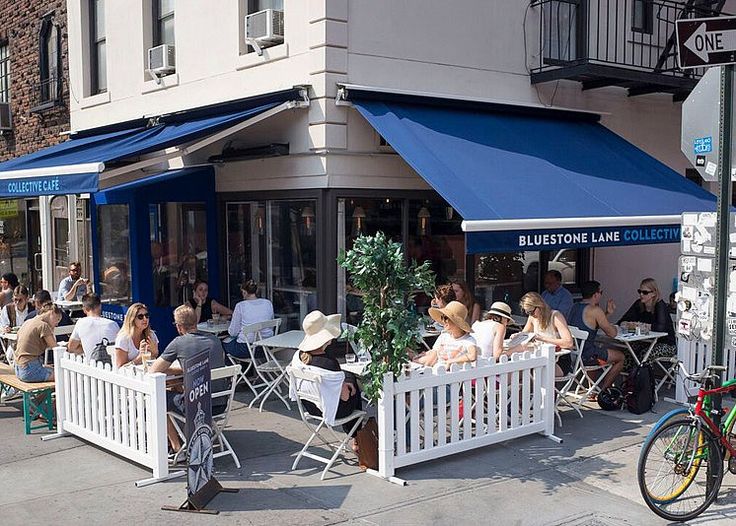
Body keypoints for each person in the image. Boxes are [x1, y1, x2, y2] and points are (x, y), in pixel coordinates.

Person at [150, 305, 227, 452]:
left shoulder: (178, 343)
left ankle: (176, 446)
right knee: (177, 388)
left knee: (158, 398)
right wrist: (184, 368)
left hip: (196, 407)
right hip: (220, 404)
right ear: (196, 321)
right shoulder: (215, 340)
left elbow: (154, 370)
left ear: (179, 327)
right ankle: (189, 436)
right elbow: (212, 365)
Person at [293, 310, 362, 448]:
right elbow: (345, 397)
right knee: (353, 386)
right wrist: (350, 384)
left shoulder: (298, 356)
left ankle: (356, 436)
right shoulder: (330, 364)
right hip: (331, 410)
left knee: (347, 378)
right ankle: (357, 436)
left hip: (311, 407)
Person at [567, 281, 625, 392]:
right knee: (620, 357)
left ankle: (592, 390)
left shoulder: (575, 307)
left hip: (574, 353)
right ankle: (603, 391)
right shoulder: (595, 310)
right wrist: (617, 327)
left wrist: (607, 313)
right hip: (588, 355)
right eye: (601, 292)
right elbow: (612, 333)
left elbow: (592, 324)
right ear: (595, 294)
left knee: (594, 350)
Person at [618, 278, 676, 361]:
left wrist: (643, 326)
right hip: (646, 341)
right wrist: (628, 324)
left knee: (644, 355)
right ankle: (630, 373)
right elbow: (622, 320)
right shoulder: (639, 304)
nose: (641, 294)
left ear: (653, 293)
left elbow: (661, 328)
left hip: (666, 343)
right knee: (627, 353)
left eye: (645, 292)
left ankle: (642, 373)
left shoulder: (660, 305)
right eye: (639, 291)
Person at [520, 292, 574, 377]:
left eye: (531, 312)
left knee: (532, 371)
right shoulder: (532, 318)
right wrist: (518, 336)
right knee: (521, 368)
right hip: (540, 357)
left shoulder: (555, 316)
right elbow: (524, 335)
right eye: (528, 313)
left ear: (539, 307)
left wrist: (542, 338)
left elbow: (569, 343)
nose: (531, 315)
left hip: (559, 360)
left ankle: (533, 390)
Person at [415, 301, 478, 367]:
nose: (443, 321)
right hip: (438, 372)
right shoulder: (444, 336)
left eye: (445, 318)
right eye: (442, 317)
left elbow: (472, 356)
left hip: (456, 375)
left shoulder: (468, 340)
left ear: (456, 322)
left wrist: (451, 361)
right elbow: (433, 354)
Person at [224, 279, 274, 360]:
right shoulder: (268, 303)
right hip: (267, 346)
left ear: (244, 292)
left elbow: (233, 332)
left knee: (223, 344)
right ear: (256, 290)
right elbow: (271, 326)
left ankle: (236, 371)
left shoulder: (240, 306)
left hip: (247, 348)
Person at [13, 303, 62, 383]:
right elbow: (55, 348)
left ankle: (40, 396)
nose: (57, 324)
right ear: (52, 313)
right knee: (62, 375)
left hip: (18, 368)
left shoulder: (27, 322)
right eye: (57, 319)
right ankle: (47, 396)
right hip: (29, 370)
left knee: (51, 368)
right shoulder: (43, 326)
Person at [68, 294, 120, 361]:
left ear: (84, 309)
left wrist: (86, 348)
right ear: (100, 306)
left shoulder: (81, 323)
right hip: (112, 366)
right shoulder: (113, 324)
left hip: (91, 366)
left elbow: (71, 348)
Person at [114, 302, 159, 367]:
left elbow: (154, 358)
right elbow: (120, 367)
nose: (145, 319)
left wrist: (155, 352)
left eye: (147, 316)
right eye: (140, 317)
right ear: (132, 319)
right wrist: (139, 358)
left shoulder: (151, 335)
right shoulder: (123, 339)